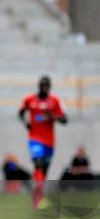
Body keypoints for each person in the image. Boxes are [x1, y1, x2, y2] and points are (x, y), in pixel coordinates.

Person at [19, 76, 67, 207]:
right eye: (43, 86)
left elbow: (65, 120)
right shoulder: (30, 100)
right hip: (35, 139)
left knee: (44, 171)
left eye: (47, 86)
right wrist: (26, 123)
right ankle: (38, 195)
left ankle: (38, 194)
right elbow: (21, 112)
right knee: (38, 163)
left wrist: (52, 116)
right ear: (39, 86)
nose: (45, 88)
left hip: (49, 142)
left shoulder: (55, 101)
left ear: (50, 87)